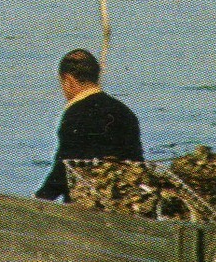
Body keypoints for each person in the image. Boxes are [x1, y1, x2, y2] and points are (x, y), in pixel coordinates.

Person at [36, 48, 143, 202]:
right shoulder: (125, 112)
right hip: (124, 201)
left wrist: (39, 198)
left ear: (68, 80)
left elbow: (64, 169)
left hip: (86, 204)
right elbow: (138, 164)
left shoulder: (75, 114)